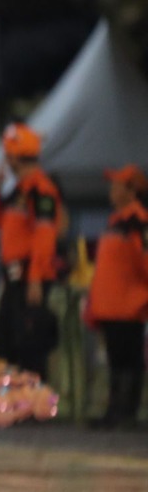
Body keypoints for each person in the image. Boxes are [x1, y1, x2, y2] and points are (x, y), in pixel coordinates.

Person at [0, 123, 64, 381]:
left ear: (17, 156)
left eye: (8, 154)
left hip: (31, 277)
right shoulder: (17, 190)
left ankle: (36, 408)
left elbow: (44, 237)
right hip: (14, 278)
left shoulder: (42, 190)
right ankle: (18, 406)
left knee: (30, 343)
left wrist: (35, 279)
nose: (5, 159)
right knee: (5, 343)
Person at [85, 164, 148, 428]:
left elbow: (143, 262)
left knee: (127, 360)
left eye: (117, 186)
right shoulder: (118, 221)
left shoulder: (136, 222)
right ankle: (117, 410)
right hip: (113, 306)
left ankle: (125, 412)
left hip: (129, 305)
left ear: (131, 191)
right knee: (116, 360)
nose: (111, 191)